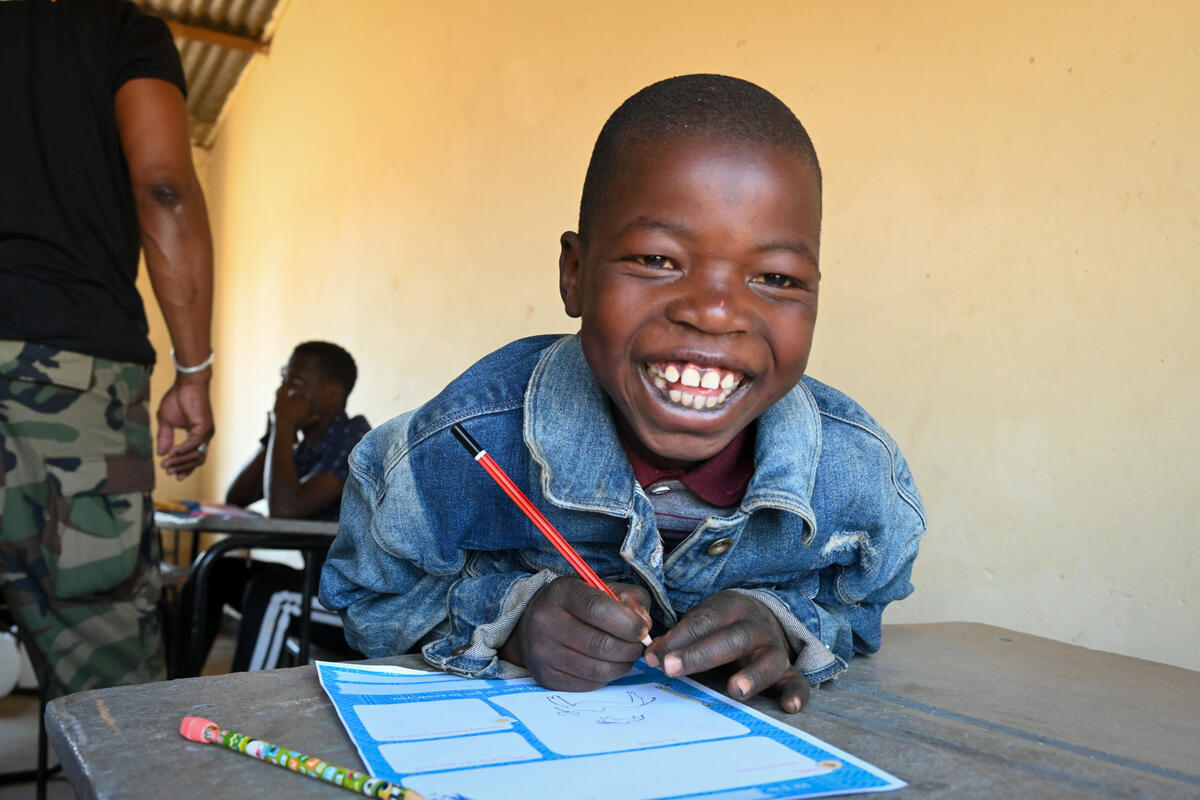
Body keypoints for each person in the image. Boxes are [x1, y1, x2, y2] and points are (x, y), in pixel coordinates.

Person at [320, 74, 926, 713]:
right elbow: (369, 600)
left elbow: (860, 613)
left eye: (775, 277)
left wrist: (783, 624)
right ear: (575, 274)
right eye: (658, 261)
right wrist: (511, 625)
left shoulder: (860, 476)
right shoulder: (463, 441)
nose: (716, 313)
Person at [0, 0, 214, 699]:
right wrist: (193, 371)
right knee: (109, 679)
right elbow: (164, 187)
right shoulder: (120, 31)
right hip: (73, 383)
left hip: (74, 364)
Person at [187, 341, 369, 672]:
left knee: (273, 596)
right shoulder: (306, 449)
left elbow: (285, 510)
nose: (282, 393)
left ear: (332, 393)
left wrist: (284, 427)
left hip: (364, 609)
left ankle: (246, 713)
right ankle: (176, 682)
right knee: (215, 571)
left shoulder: (354, 440)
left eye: (295, 383)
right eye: (283, 380)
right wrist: (274, 434)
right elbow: (237, 497)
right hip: (323, 588)